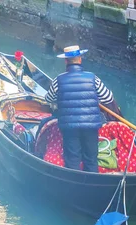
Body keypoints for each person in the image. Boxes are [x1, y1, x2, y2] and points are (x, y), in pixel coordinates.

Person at [45, 45, 115, 173]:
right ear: (80, 59)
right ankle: (93, 185)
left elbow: (48, 99)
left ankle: (74, 187)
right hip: (91, 125)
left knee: (72, 159)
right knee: (91, 159)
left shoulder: (58, 80)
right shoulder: (93, 78)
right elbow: (108, 98)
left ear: (66, 61)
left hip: (69, 126)